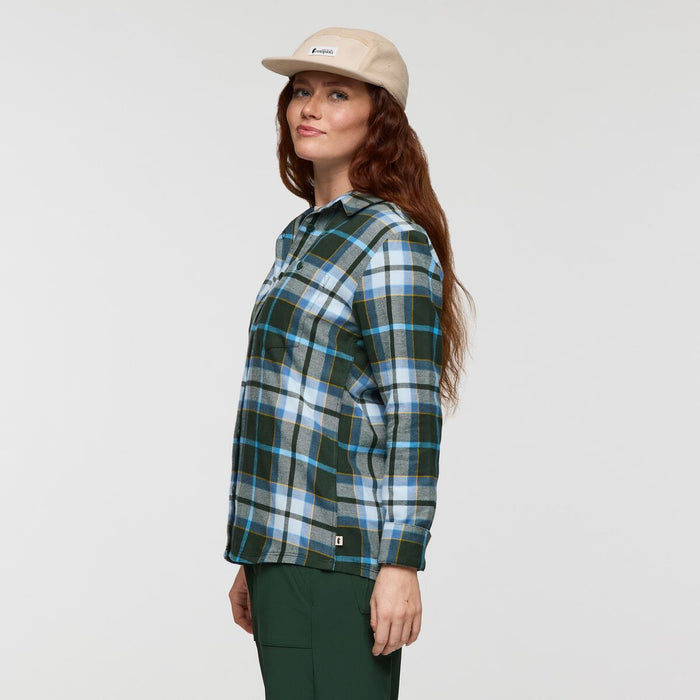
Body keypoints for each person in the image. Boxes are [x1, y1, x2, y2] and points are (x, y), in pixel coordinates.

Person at [224, 26, 474, 700]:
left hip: (341, 555)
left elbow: (413, 413)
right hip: (283, 551)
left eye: (337, 94)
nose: (309, 108)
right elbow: (292, 401)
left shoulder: (390, 239)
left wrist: (402, 562)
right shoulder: (301, 237)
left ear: (379, 119)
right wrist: (256, 553)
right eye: (300, 91)